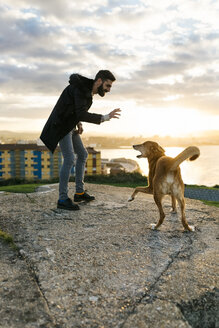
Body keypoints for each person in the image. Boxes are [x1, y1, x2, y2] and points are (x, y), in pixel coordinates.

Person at [40, 70, 121, 210]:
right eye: (108, 86)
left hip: (70, 125)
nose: (108, 90)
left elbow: (75, 109)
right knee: (70, 158)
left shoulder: (87, 91)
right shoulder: (81, 88)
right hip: (61, 126)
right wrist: (105, 117)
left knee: (83, 154)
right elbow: (81, 113)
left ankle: (79, 192)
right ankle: (62, 199)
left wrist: (78, 123)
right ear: (100, 81)